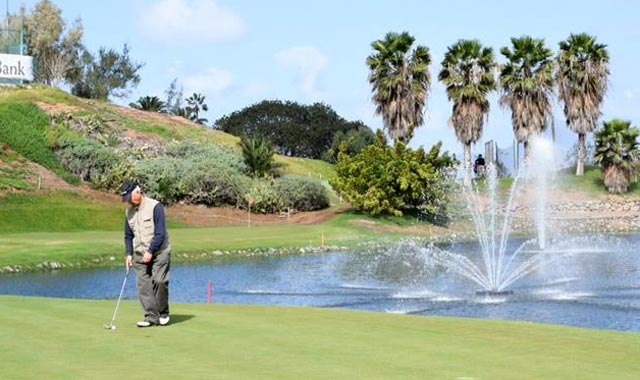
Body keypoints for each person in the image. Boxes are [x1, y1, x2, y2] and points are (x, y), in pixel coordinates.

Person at [121, 182, 171, 327]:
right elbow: (128, 236)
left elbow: (160, 233)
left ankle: (163, 312)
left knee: (159, 281)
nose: (129, 201)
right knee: (144, 285)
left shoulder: (155, 206)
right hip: (139, 252)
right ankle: (151, 317)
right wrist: (129, 254)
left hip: (160, 251)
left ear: (138, 193)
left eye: (130, 197)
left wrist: (151, 251)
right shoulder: (129, 212)